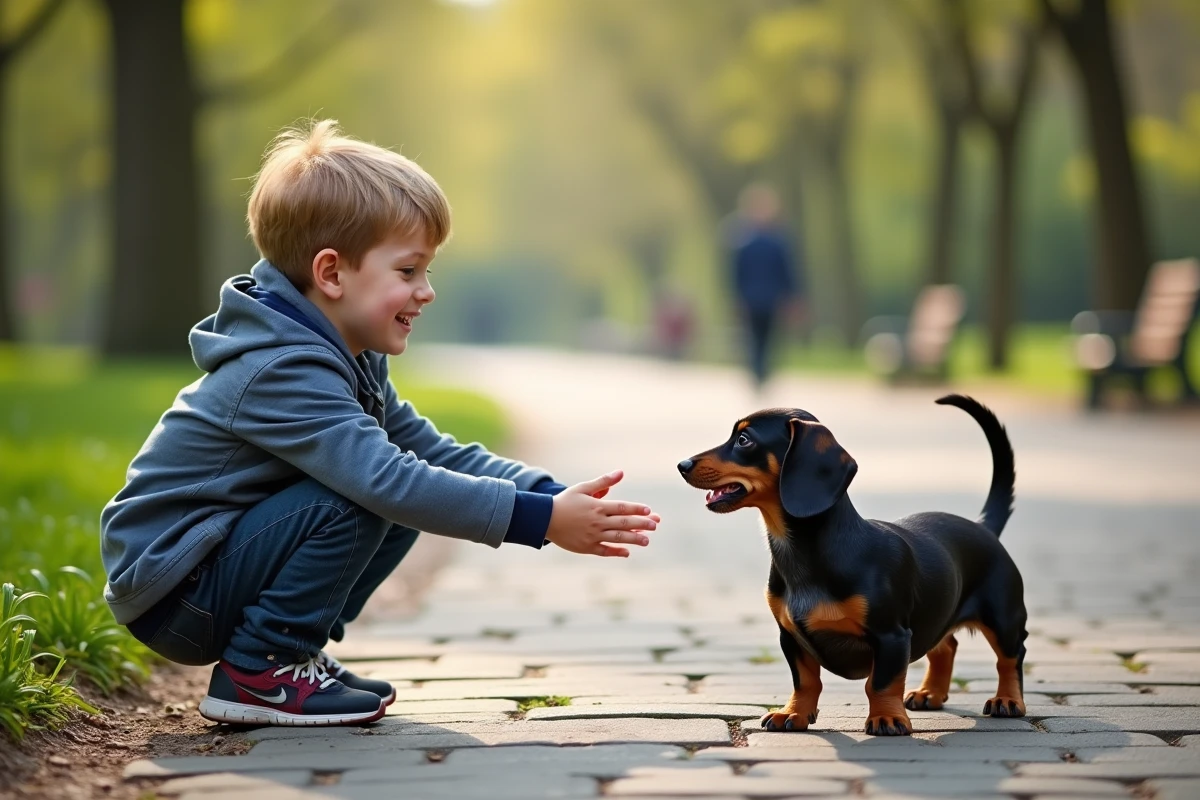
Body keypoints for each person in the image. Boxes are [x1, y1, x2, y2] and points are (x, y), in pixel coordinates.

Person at [99, 120, 659, 727]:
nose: (427, 291)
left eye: (427, 271)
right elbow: (388, 480)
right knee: (368, 494)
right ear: (332, 274)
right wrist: (540, 521)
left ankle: (289, 650)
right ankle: (263, 667)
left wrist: (549, 495)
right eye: (408, 271)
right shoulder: (281, 368)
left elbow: (430, 451)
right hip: (177, 590)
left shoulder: (346, 354)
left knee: (390, 487)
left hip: (211, 572)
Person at [729, 183, 806, 389]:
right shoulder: (745, 243)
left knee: (768, 335)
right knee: (755, 335)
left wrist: (793, 296)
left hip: (771, 298)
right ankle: (758, 369)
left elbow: (787, 271)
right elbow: (736, 274)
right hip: (753, 298)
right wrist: (737, 297)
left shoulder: (775, 242)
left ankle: (760, 368)